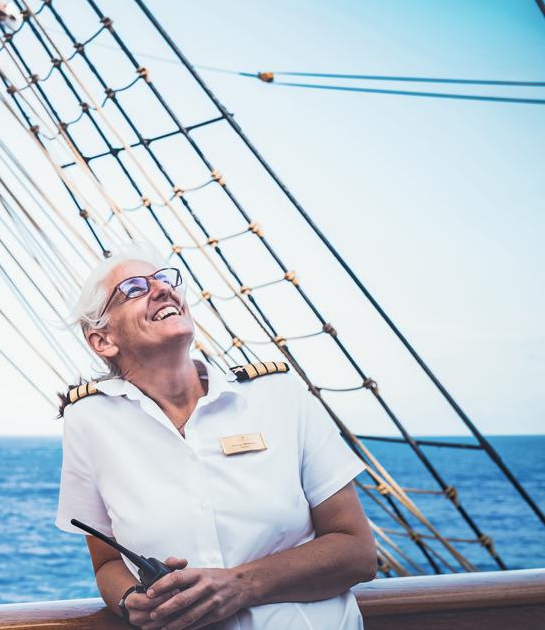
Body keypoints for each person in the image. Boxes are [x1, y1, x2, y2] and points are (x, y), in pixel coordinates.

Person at [55, 241, 377, 630]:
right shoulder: (89, 422)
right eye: (135, 289)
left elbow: (357, 551)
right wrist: (130, 600)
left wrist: (241, 585)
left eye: (165, 280)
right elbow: (107, 563)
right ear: (103, 340)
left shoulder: (278, 394)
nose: (162, 289)